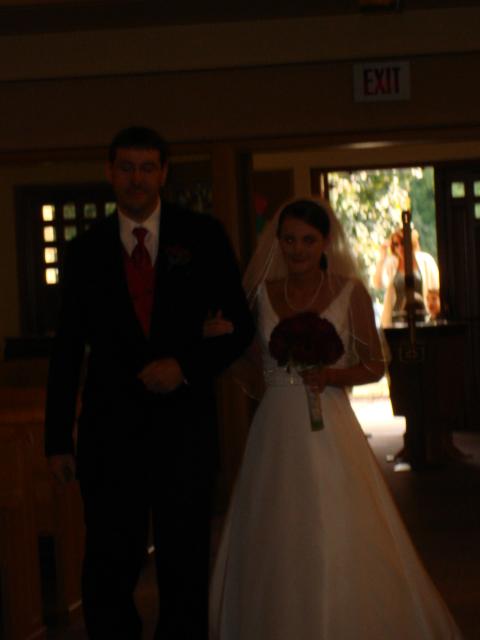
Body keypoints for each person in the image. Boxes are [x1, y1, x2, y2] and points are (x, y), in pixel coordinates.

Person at [208, 199, 463, 639]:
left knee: (336, 522)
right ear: (278, 242)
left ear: (325, 242)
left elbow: (374, 365)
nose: (298, 249)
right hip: (275, 428)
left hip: (330, 420)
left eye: (308, 240)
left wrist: (331, 375)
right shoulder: (263, 295)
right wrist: (222, 342)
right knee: (276, 528)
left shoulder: (350, 291)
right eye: (289, 240)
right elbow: (252, 367)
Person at [44, 126, 255, 640]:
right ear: (109, 173)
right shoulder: (84, 250)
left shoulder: (202, 236)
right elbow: (67, 348)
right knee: (109, 563)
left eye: (146, 168)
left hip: (184, 429)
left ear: (163, 173)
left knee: (184, 562)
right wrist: (57, 439)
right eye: (126, 168)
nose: (136, 179)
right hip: (109, 431)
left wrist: (185, 366)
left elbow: (240, 328)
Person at [374, 226, 439, 327]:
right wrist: (382, 258)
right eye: (396, 244)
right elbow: (377, 284)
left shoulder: (426, 261)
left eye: (403, 243)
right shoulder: (392, 263)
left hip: (422, 318)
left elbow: (436, 290)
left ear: (411, 242)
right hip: (395, 320)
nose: (400, 247)